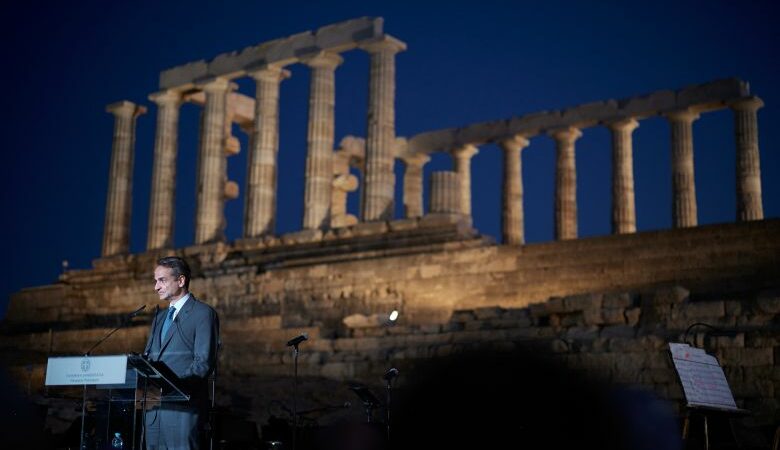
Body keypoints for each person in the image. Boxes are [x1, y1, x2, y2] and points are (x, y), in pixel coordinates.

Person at [143, 256, 219, 449]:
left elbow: (202, 363)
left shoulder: (202, 313)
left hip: (182, 411)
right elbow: (149, 359)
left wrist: (172, 387)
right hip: (153, 413)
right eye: (155, 281)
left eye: (162, 280)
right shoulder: (159, 318)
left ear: (181, 280)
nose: (156, 287)